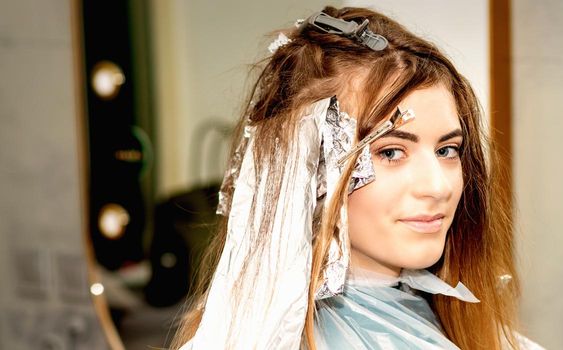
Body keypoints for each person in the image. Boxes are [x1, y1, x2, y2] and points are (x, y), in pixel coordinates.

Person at [170, 6, 543, 350]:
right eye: (390, 152)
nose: (438, 187)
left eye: (447, 150)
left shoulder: (458, 321)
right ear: (307, 167)